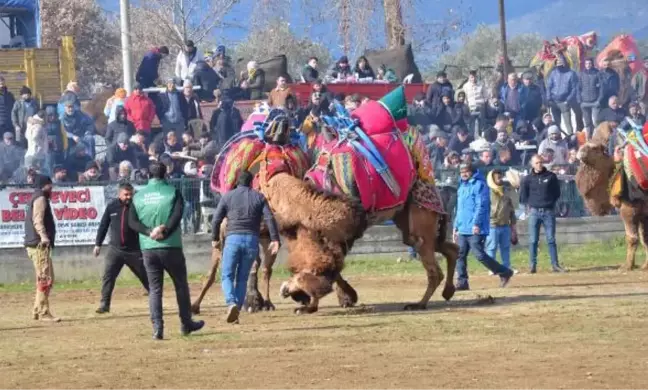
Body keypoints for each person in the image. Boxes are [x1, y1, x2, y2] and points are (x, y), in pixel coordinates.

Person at [129, 161, 204, 339]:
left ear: (148, 175)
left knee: (155, 289)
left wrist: (149, 232)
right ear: (166, 174)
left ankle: (157, 328)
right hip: (171, 246)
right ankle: (186, 323)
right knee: (180, 285)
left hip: (148, 247)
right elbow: (177, 215)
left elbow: (132, 222)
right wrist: (165, 231)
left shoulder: (138, 196)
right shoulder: (173, 192)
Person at [211, 171, 280, 323]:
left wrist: (214, 238)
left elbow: (216, 220)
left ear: (237, 181)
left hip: (233, 239)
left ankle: (231, 302)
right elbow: (269, 217)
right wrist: (275, 239)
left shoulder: (227, 196)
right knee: (242, 278)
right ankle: (236, 312)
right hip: (251, 240)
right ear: (251, 183)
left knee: (227, 275)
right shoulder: (259, 197)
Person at [453, 162, 514, 290]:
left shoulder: (480, 185)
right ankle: (462, 281)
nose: (464, 174)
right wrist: (456, 226)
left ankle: (504, 272)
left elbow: (481, 206)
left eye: (466, 171)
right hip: (463, 227)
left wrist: (477, 223)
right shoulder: (461, 186)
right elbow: (459, 209)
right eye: (461, 172)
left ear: (472, 171)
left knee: (479, 254)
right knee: (459, 254)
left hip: (476, 227)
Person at [94, 183, 149, 313]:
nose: (129, 197)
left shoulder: (137, 207)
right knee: (108, 277)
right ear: (119, 194)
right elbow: (103, 225)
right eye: (126, 194)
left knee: (146, 276)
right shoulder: (112, 206)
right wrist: (98, 244)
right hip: (115, 250)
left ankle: (156, 300)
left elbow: (144, 225)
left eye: (131, 194)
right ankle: (104, 304)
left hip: (134, 250)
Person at [519, 155, 565, 273]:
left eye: (540, 162)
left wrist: (549, 203)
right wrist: (529, 206)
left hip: (548, 211)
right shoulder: (527, 179)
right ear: (532, 164)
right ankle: (532, 266)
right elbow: (524, 195)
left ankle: (555, 265)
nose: (539, 165)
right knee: (533, 240)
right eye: (537, 163)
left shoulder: (551, 176)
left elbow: (556, 193)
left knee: (551, 239)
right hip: (534, 212)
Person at [24, 175, 60, 322]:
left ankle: (36, 309)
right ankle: (43, 312)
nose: (51, 188)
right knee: (45, 279)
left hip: (36, 244)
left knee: (45, 278)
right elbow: (37, 220)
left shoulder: (35, 197)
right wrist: (44, 237)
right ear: (44, 185)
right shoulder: (40, 199)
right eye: (50, 186)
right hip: (39, 245)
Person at [485, 169, 518, 272]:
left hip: (505, 225)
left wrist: (513, 227)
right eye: (498, 177)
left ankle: (506, 267)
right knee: (492, 247)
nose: (500, 179)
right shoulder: (487, 192)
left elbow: (511, 209)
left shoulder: (505, 191)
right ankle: (492, 268)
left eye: (501, 177)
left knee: (505, 248)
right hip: (492, 225)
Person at [547, 56, 581, 135]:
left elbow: (574, 88)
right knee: (556, 124)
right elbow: (549, 86)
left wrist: (568, 100)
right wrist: (549, 98)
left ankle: (570, 139)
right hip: (554, 101)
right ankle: (558, 139)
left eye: (561, 62)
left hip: (564, 102)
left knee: (568, 124)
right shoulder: (553, 73)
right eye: (558, 63)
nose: (559, 64)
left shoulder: (571, 73)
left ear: (565, 63)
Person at [579, 58, 602, 138]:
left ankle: (597, 137)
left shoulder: (597, 73)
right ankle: (589, 137)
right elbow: (578, 88)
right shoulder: (581, 74)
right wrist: (580, 101)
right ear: (584, 65)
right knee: (587, 122)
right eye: (586, 64)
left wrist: (599, 100)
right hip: (584, 102)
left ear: (592, 64)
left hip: (595, 101)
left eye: (589, 63)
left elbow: (601, 88)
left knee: (596, 121)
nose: (588, 65)